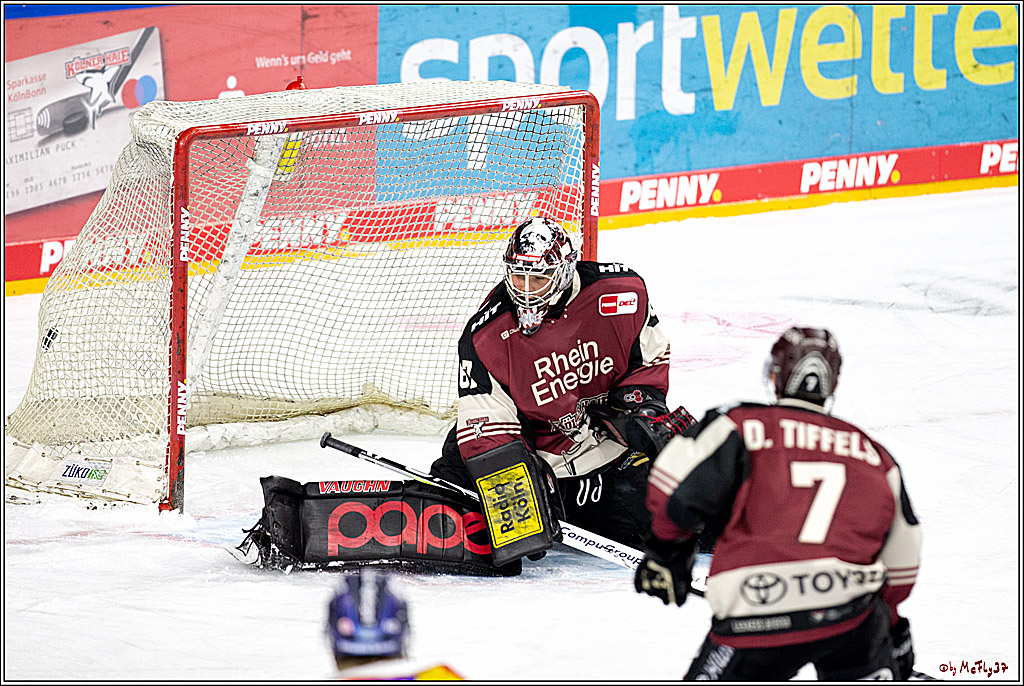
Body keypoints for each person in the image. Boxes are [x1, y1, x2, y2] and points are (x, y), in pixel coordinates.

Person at [634, 327, 922, 681]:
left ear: (775, 375)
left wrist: (666, 554)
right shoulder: (873, 453)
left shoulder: (741, 424)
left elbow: (672, 485)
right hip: (851, 618)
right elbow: (904, 554)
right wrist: (889, 624)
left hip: (757, 611)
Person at [429, 216, 694, 566]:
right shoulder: (486, 335)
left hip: (600, 449)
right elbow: (487, 429)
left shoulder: (622, 293)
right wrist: (516, 491)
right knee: (456, 485)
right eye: (517, 275)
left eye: (537, 277)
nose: (525, 288)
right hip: (534, 453)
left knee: (673, 508)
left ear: (565, 270)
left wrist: (639, 408)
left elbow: (649, 358)